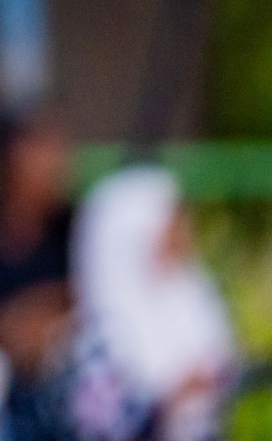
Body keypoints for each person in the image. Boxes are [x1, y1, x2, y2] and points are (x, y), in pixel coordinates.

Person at [68, 166, 237, 441]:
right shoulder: (95, 337)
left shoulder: (192, 295)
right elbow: (104, 422)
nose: (180, 234)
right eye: (168, 224)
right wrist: (171, 396)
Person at [0, 118, 77, 441]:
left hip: (62, 373)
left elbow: (95, 296)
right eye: (38, 158)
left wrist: (41, 316)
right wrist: (5, 329)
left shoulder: (74, 226)